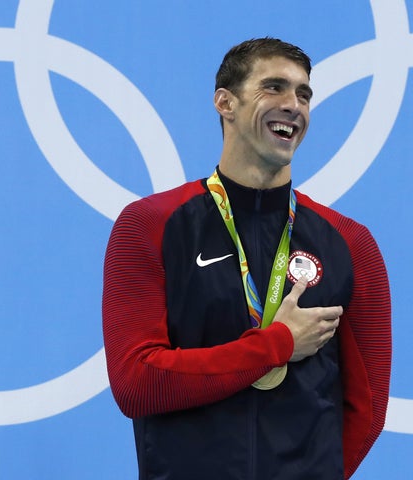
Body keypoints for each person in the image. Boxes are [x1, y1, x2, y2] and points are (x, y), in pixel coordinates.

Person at [102, 37, 392, 480]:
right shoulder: (150, 225)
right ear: (225, 103)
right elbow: (137, 383)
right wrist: (278, 344)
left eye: (304, 93)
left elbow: (367, 407)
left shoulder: (349, 242)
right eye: (273, 87)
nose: (294, 105)